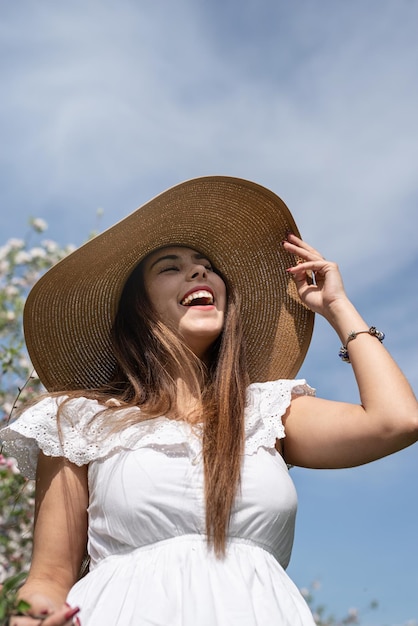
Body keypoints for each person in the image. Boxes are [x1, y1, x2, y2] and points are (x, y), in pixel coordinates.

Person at [1, 176, 417, 626]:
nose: (199, 272)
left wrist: (338, 307)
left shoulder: (267, 413)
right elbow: (48, 578)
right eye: (170, 267)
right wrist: (33, 618)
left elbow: (397, 421)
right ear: (137, 310)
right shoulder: (79, 421)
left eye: (205, 265)